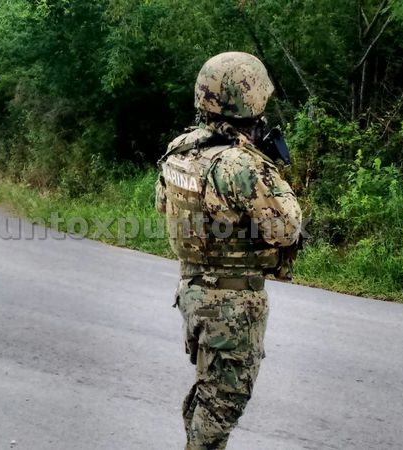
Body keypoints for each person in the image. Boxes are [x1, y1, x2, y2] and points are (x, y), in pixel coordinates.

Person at [155, 52, 302, 449]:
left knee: (211, 390)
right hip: (232, 301)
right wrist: (267, 167)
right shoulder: (240, 164)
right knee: (226, 399)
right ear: (250, 97)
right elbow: (287, 228)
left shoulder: (181, 149)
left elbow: (164, 207)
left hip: (193, 290)